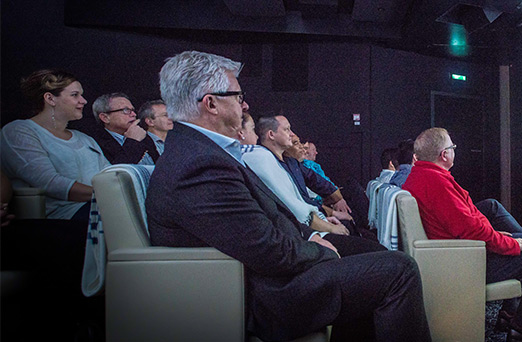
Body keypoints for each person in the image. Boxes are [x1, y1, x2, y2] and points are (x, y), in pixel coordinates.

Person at [146, 50, 430, 342]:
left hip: (265, 276)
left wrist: (310, 238)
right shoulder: (198, 163)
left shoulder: (202, 152)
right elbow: (265, 249)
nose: (245, 105)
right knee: (399, 269)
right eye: (238, 95)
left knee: (378, 256)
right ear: (211, 103)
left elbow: (269, 217)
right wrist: (320, 251)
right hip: (262, 294)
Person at [403, 127, 522, 342]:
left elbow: (468, 224)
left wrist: (502, 237)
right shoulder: (437, 183)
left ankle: (511, 307)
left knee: (499, 216)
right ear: (444, 155)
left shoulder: (422, 175)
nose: (454, 150)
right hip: (465, 261)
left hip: (458, 252)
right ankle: (521, 325)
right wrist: (513, 245)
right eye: (452, 147)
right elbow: (473, 231)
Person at [243, 117, 384, 253]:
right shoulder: (259, 158)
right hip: (301, 235)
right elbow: (296, 211)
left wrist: (326, 217)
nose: (292, 135)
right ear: (271, 135)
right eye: (287, 130)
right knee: (381, 253)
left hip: (309, 226)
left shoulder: (287, 162)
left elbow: (315, 188)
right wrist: (327, 227)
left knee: (371, 242)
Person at [0, 69, 110, 220]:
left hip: (100, 206)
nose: (83, 101)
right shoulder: (19, 131)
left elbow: (110, 174)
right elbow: (49, 183)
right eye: (74, 95)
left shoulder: (85, 139)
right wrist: (110, 196)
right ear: (50, 99)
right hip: (61, 218)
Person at [91, 92, 159, 164]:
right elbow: (117, 172)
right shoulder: (96, 144)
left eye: (133, 110)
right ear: (105, 118)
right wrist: (133, 142)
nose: (134, 114)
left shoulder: (143, 136)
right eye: (126, 110)